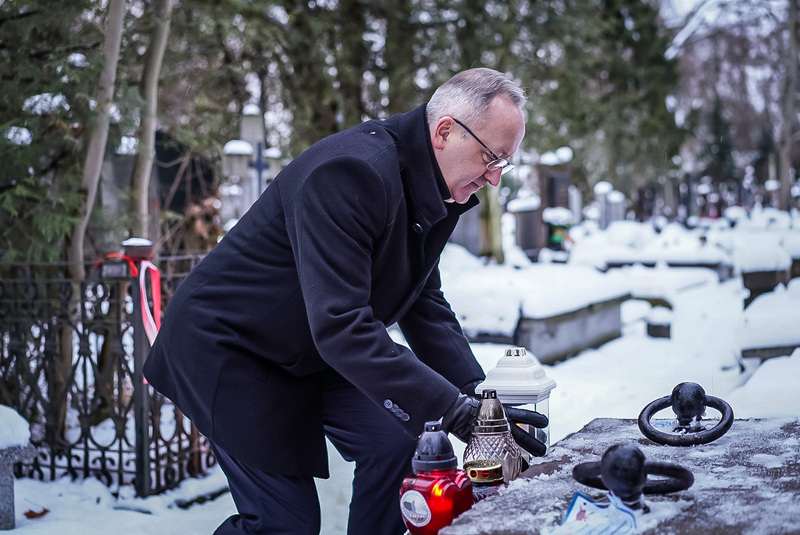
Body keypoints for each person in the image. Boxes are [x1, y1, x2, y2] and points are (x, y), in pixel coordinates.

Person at [143, 67, 543, 534]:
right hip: (233, 346)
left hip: (311, 343)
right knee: (283, 525)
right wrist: (456, 413)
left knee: (400, 444)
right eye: (491, 157)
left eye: (503, 163)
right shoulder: (352, 172)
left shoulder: (435, 186)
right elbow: (341, 325)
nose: (493, 179)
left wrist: (475, 398)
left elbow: (424, 302)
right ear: (444, 131)